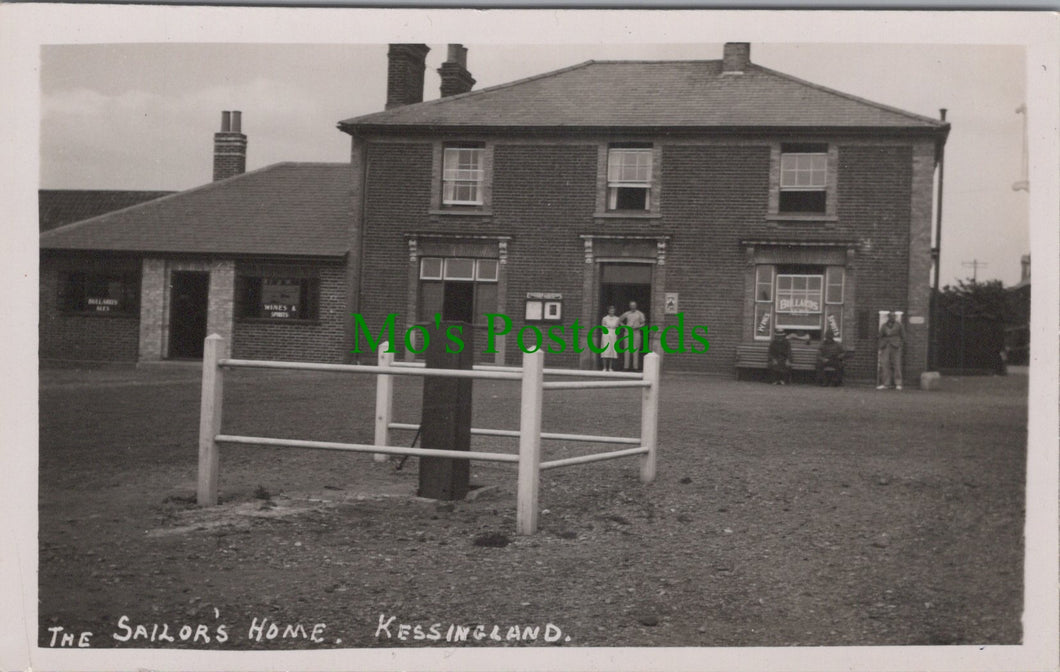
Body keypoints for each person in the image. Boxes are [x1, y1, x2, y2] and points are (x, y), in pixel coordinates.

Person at [877, 311, 905, 390]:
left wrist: (900, 344)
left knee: (897, 364)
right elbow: (880, 335)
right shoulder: (884, 325)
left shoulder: (899, 325)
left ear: (895, 317)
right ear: (888, 317)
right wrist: (881, 343)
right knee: (885, 364)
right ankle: (886, 383)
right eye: (890, 316)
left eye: (893, 316)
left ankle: (898, 383)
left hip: (896, 346)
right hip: (885, 346)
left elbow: (903, 336)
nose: (892, 318)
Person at [619, 300, 647, 371]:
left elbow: (643, 323)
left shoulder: (640, 314)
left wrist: (639, 326)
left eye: (634, 305)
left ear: (636, 306)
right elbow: (619, 320)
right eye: (631, 305)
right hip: (628, 332)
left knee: (635, 349)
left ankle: (635, 367)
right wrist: (625, 326)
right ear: (629, 306)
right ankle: (626, 367)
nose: (633, 307)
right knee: (627, 349)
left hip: (636, 332)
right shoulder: (627, 313)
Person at [600, 305, 621, 371]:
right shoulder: (605, 318)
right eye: (610, 310)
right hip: (606, 334)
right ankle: (604, 367)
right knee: (606, 350)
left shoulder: (617, 319)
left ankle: (610, 367)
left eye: (613, 310)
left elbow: (617, 327)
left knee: (612, 350)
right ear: (608, 311)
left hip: (613, 333)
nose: (612, 311)